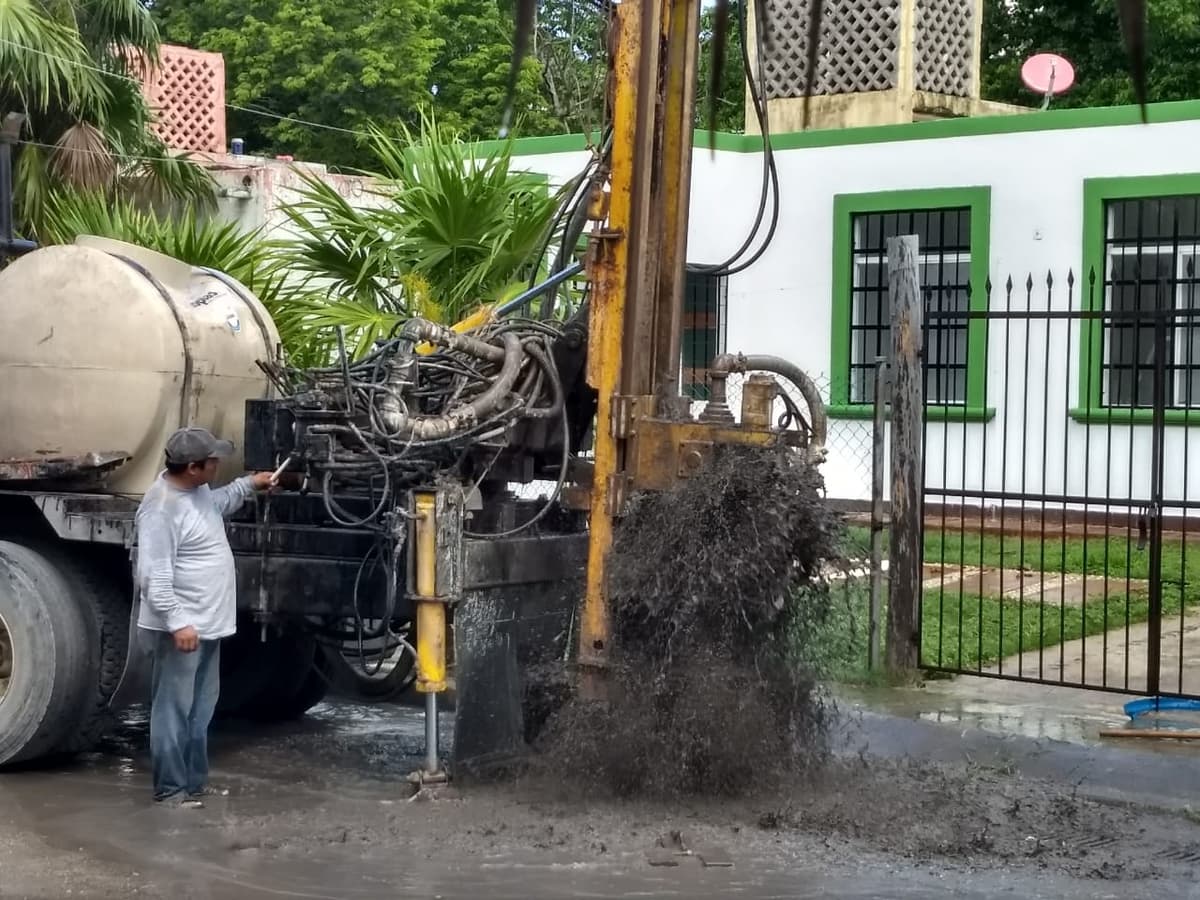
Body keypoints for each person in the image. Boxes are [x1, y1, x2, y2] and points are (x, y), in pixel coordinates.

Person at [134, 426, 274, 808]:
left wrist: (251, 484)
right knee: (173, 709)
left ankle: (194, 784)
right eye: (213, 461)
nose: (218, 464)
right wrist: (178, 622)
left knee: (200, 708)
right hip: (182, 628)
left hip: (207, 625)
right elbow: (153, 574)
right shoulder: (161, 509)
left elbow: (219, 502)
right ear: (194, 467)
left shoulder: (194, 492)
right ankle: (170, 790)